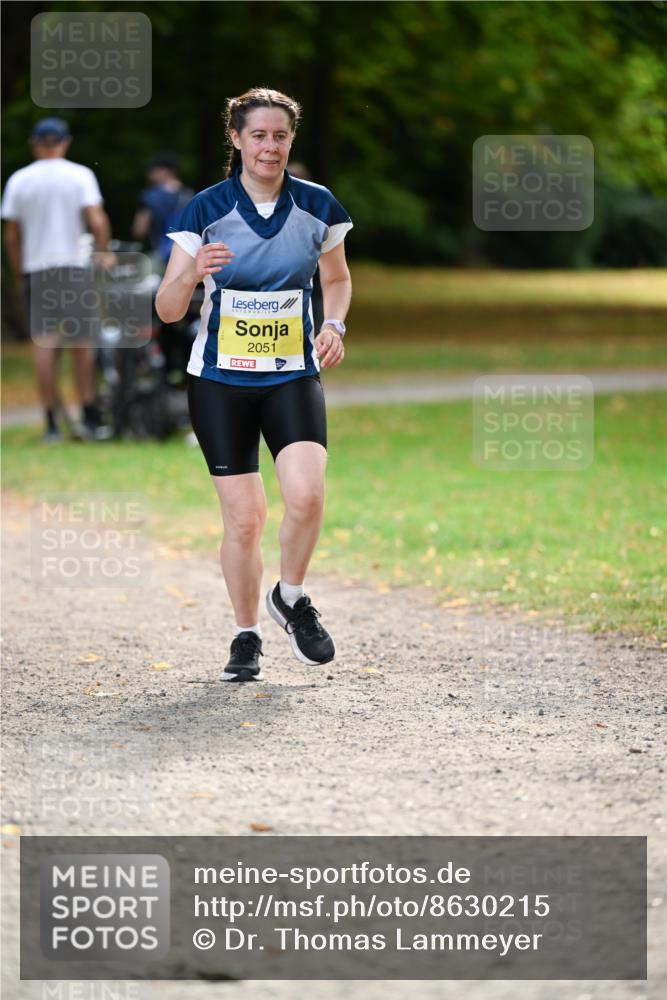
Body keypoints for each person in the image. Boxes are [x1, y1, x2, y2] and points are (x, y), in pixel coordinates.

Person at [156, 87, 352, 682]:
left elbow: (337, 279)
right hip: (218, 381)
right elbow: (165, 310)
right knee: (244, 520)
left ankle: (291, 597)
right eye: (259, 135)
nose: (270, 146)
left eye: (280, 136)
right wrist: (193, 273)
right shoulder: (203, 210)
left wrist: (335, 323)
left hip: (292, 373)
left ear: (291, 141)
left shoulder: (317, 206)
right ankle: (246, 636)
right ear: (237, 139)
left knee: (307, 495)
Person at [1, 117, 112, 442]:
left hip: (38, 269)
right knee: (82, 343)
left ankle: (51, 423)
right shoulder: (80, 175)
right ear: (65, 142)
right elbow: (96, 219)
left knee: (44, 344)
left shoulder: (20, 180)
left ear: (34, 143)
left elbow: (12, 236)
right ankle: (89, 415)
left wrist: (19, 271)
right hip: (74, 268)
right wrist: (103, 251)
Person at [131, 153, 194, 267]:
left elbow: (139, 230)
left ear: (164, 170)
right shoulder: (190, 196)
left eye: (151, 170)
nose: (148, 174)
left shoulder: (151, 196)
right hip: (185, 258)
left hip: (157, 257)